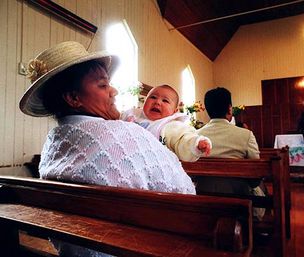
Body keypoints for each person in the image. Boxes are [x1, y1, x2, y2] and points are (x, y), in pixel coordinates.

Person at [19, 41, 195, 257]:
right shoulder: (130, 134)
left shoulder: (52, 145)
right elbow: (186, 194)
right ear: (74, 98)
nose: (114, 91)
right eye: (103, 85)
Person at [197, 87, 264, 220]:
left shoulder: (194, 136)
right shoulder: (246, 135)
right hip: (240, 202)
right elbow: (256, 177)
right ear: (229, 109)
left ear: (207, 111)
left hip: (203, 200)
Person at [121, 84, 211, 162]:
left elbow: (184, 140)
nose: (157, 102)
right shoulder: (133, 114)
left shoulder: (172, 126)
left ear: (174, 111)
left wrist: (196, 143)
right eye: (153, 97)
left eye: (165, 101)